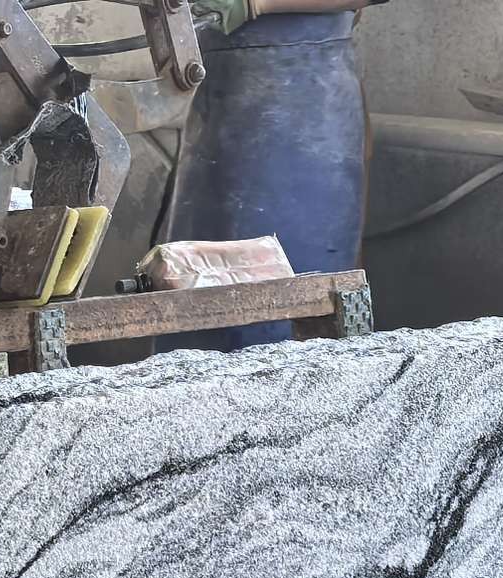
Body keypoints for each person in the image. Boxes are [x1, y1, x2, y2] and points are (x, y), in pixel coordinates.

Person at [162, 0, 388, 349]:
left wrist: (256, 4)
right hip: (220, 102)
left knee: (290, 296)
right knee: (200, 287)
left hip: (303, 111)